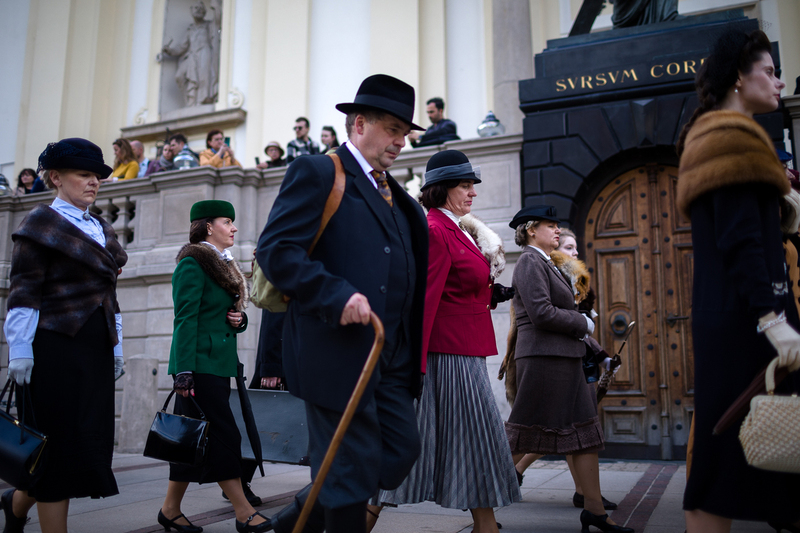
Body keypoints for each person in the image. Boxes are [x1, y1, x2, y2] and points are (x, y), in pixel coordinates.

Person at [257, 74, 428, 533]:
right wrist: (337, 295)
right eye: (392, 129)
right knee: (349, 473)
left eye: (404, 134)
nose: (399, 142)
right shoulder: (319, 172)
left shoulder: (404, 202)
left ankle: (298, 516)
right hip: (335, 350)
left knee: (401, 449)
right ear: (358, 124)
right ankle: (324, 510)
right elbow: (276, 250)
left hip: (391, 357)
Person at [675, 28, 800, 533]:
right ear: (736, 77)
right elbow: (740, 241)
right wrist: (774, 321)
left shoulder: (718, 133)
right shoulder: (731, 134)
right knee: (725, 456)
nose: (777, 81)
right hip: (747, 322)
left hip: (734, 317)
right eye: (768, 71)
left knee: (730, 455)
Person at [367, 150, 519, 533]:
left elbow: (460, 287)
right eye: (465, 185)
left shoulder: (455, 226)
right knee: (461, 441)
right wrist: (414, 366)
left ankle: (487, 525)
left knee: (471, 441)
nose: (473, 193)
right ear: (442, 189)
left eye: (473, 185)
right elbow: (426, 301)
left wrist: (491, 292)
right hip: (444, 354)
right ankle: (358, 519)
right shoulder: (435, 229)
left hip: (463, 350)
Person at [1, 138, 127, 533]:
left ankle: (15, 505)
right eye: (84, 175)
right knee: (53, 448)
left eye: (97, 176)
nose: (94, 182)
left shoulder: (103, 228)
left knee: (81, 446)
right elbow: (24, 290)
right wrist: (20, 349)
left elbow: (109, 296)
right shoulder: (40, 223)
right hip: (53, 346)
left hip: (94, 349)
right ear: (56, 178)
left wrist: (116, 345)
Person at [505, 205, 633, 533]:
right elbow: (542, 313)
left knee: (585, 434)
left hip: (566, 359)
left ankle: (594, 510)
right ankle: (479, 497)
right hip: (544, 360)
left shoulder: (546, 262)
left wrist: (586, 334)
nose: (558, 230)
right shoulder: (529, 261)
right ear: (531, 230)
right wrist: (582, 322)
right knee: (522, 435)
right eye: (551, 225)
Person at [156, 200, 270, 533]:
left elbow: (222, 317)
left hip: (218, 366)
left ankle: (170, 510)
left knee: (189, 443)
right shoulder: (192, 264)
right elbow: (185, 320)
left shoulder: (223, 264)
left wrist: (239, 320)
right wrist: (183, 371)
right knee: (224, 436)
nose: (234, 227)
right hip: (198, 368)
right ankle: (243, 510)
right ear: (208, 226)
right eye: (227, 221)